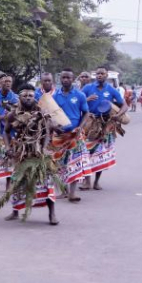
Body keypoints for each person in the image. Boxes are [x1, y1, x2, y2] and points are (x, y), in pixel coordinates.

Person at [2, 84, 58, 225]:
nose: (27, 98)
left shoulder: (42, 112)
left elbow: (46, 133)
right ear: (19, 97)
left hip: (39, 149)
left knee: (46, 181)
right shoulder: (13, 114)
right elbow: (6, 131)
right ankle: (15, 211)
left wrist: (44, 148)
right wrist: (8, 147)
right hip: (21, 151)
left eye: (30, 96)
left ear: (35, 97)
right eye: (24, 95)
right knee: (17, 180)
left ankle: (52, 213)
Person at [80, 67, 128, 190]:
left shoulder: (111, 89)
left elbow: (124, 105)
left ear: (106, 76)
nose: (99, 75)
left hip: (105, 125)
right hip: (89, 124)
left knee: (100, 154)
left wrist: (117, 115)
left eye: (102, 73)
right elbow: (77, 102)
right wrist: (86, 99)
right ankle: (87, 181)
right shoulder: (87, 88)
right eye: (97, 73)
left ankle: (96, 182)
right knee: (86, 153)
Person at [50, 68, 90, 202]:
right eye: (63, 77)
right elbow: (49, 115)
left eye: (68, 78)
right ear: (60, 79)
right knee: (58, 164)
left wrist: (80, 126)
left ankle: (72, 193)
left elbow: (86, 113)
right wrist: (54, 127)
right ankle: (63, 190)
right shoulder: (54, 96)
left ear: (73, 79)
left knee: (74, 163)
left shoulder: (80, 95)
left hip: (74, 135)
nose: (65, 80)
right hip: (59, 136)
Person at [0, 75, 19, 192]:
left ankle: (9, 185)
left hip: (9, 133)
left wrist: (8, 118)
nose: (7, 83)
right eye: (5, 81)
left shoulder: (15, 98)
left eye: (9, 81)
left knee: (9, 157)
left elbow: (18, 115)